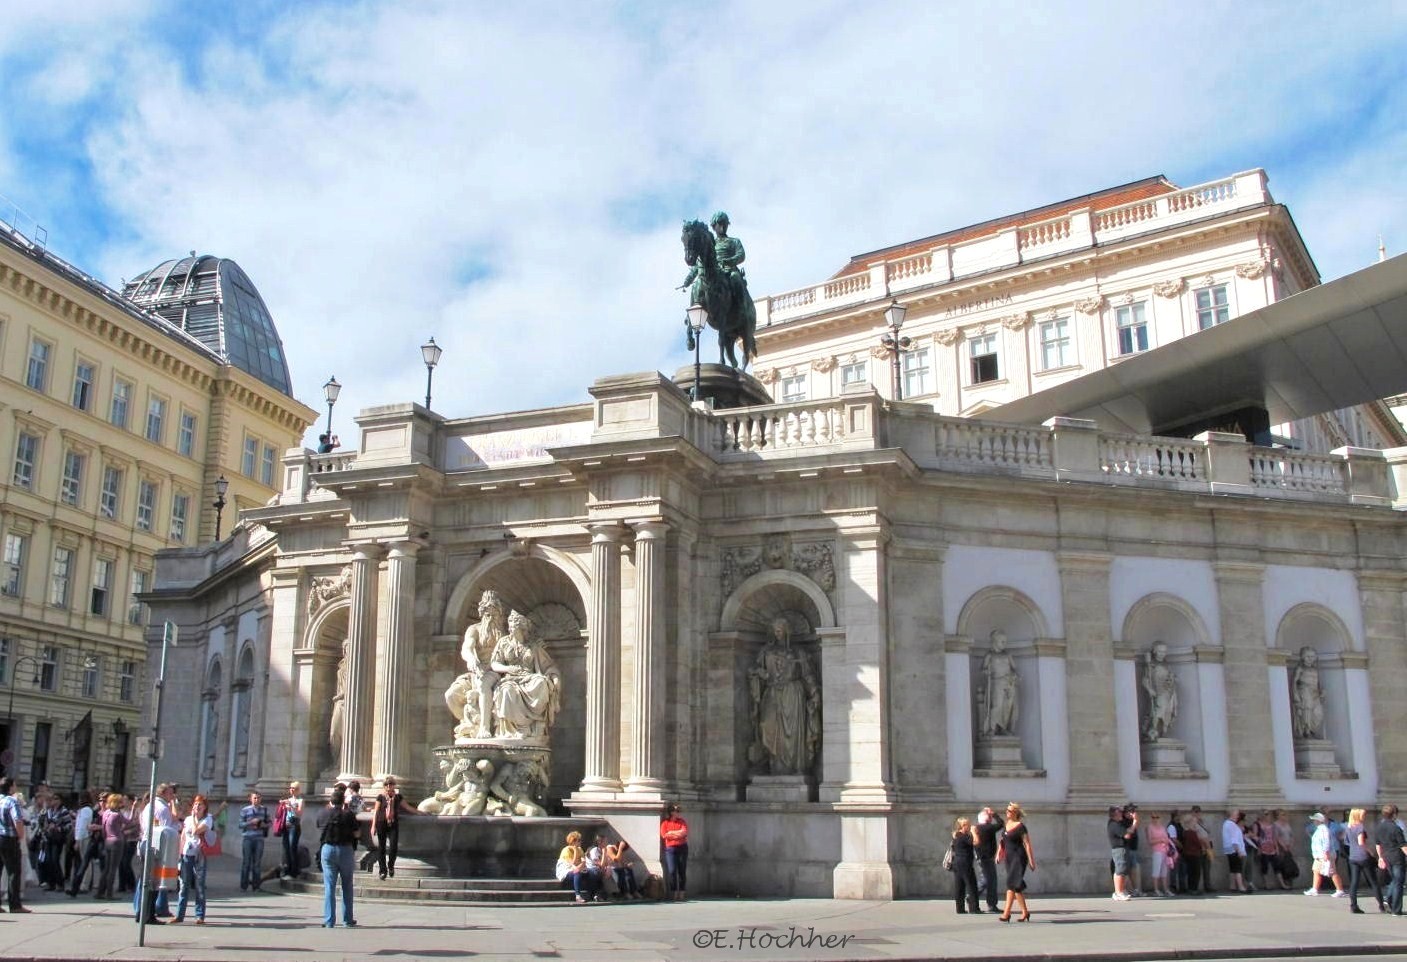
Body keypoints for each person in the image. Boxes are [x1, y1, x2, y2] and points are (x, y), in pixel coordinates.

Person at [747, 617, 821, 774]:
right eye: (775, 629)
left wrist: (814, 694)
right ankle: (774, 764)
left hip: (793, 693)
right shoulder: (765, 651)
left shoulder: (798, 652)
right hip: (772, 692)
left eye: (780, 628)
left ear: (787, 630)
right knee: (766, 725)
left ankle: (794, 767)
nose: (777, 632)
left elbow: (808, 674)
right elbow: (752, 669)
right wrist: (759, 672)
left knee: (793, 733)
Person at [489, 610, 563, 739]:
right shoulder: (503, 642)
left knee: (541, 683)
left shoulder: (533, 646)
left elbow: (548, 665)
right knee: (506, 691)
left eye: (516, 628)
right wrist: (507, 669)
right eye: (511, 627)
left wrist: (555, 677)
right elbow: (494, 664)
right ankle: (516, 729)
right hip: (510, 679)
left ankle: (534, 726)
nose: (512, 630)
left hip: (529, 677)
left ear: (523, 629)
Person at [316, 785, 360, 928]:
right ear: (343, 801)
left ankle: (329, 920)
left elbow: (318, 825)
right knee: (347, 885)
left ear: (331, 801)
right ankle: (347, 920)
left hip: (327, 849)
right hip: (345, 849)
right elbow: (357, 833)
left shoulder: (323, 813)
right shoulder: (348, 814)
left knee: (329, 886)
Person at [172, 795, 214, 924]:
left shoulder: (208, 819)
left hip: (200, 853)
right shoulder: (188, 819)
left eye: (200, 804)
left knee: (199, 884)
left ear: (205, 807)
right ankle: (179, 915)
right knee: (184, 884)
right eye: (195, 804)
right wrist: (179, 852)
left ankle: (199, 915)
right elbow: (184, 835)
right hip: (187, 853)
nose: (197, 806)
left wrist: (195, 818)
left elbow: (196, 830)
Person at [996, 802, 1035, 922]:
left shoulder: (1020, 826)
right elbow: (1002, 841)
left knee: (1010, 884)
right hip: (1009, 858)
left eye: (1010, 811)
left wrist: (1031, 861)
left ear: (1016, 813)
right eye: (1006, 810)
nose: (1007, 812)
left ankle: (1006, 913)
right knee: (1016, 886)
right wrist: (999, 853)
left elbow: (1027, 844)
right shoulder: (1007, 824)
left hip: (1019, 857)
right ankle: (1025, 912)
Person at [371, 777, 414, 880]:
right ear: (384, 786)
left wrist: (421, 813)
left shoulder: (398, 797)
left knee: (394, 846)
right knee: (381, 847)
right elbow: (376, 811)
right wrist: (373, 826)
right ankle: (382, 870)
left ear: (394, 785)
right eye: (386, 785)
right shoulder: (380, 797)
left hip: (393, 823)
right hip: (382, 823)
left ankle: (390, 865)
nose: (389, 786)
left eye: (391, 784)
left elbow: (408, 807)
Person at [0, 778, 32, 913]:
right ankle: (15, 905)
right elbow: (18, 820)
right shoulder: (12, 801)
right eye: (15, 785)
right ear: (11, 787)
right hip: (9, 838)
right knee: (14, 871)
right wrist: (21, 835)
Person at [1345, 807, 1385, 913]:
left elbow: (1347, 842)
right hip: (1363, 856)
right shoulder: (1360, 827)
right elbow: (1361, 842)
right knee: (1373, 881)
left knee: (1354, 882)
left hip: (1353, 857)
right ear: (1357, 816)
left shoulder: (1348, 827)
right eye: (1362, 815)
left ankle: (1353, 905)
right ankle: (1381, 905)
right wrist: (1370, 851)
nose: (1364, 817)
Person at [980, 630, 1020, 736]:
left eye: (1005, 641)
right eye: (1002, 641)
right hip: (996, 682)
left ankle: (1004, 727)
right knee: (997, 705)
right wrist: (986, 672)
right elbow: (983, 669)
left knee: (1008, 706)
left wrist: (1015, 676)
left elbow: (1014, 668)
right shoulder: (989, 655)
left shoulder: (1008, 655)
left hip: (1009, 682)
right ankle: (992, 728)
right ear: (995, 641)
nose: (1004, 644)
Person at [67, 789, 103, 896]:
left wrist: (78, 840)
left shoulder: (86, 810)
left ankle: (85, 884)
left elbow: (82, 827)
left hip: (84, 838)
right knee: (83, 862)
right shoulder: (83, 810)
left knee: (85, 862)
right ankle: (82, 883)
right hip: (81, 837)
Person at [95, 793, 128, 900]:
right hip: (117, 841)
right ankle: (109, 893)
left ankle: (100, 891)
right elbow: (129, 821)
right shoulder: (117, 815)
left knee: (106, 868)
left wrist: (106, 838)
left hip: (108, 840)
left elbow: (103, 829)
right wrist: (132, 809)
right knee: (113, 869)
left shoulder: (106, 813)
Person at [1375, 803, 1407, 915]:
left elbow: (1378, 844)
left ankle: (1388, 899)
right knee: (1399, 882)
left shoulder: (1379, 827)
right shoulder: (1396, 828)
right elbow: (1403, 845)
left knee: (1395, 879)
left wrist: (1380, 857)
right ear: (1394, 815)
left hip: (1386, 856)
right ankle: (1396, 909)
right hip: (1397, 857)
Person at [1306, 812, 1346, 896]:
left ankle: (1340, 890)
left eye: (1315, 820)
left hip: (1325, 854)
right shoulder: (1319, 829)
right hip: (1319, 855)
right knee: (1316, 870)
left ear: (1318, 821)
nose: (1313, 821)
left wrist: (1326, 853)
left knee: (1332, 872)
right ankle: (1315, 889)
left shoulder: (1324, 829)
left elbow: (1326, 842)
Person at [555, 830, 600, 904]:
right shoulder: (566, 850)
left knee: (592, 872)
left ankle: (593, 894)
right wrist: (575, 851)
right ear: (573, 841)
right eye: (578, 840)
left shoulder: (580, 849)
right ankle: (578, 896)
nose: (580, 842)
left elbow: (583, 862)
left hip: (578, 868)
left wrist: (580, 866)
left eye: (580, 840)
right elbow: (572, 863)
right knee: (577, 873)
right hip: (566, 871)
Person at [238, 791, 270, 892]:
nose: (257, 800)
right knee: (246, 862)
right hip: (248, 838)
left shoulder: (264, 810)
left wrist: (263, 824)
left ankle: (256, 886)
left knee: (257, 863)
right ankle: (244, 885)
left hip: (259, 838)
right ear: (250, 799)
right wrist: (250, 822)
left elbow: (269, 823)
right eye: (255, 798)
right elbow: (240, 824)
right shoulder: (245, 810)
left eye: (258, 798)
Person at [950, 816, 981, 914]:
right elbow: (976, 842)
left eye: (969, 824)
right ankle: (974, 908)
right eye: (967, 825)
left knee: (959, 885)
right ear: (962, 826)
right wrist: (974, 832)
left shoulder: (956, 836)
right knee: (971, 885)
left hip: (957, 863)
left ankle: (960, 908)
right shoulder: (963, 836)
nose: (969, 826)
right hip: (965, 862)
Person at [974, 807, 1002, 912]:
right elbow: (1001, 824)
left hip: (982, 858)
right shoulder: (988, 828)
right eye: (989, 817)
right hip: (986, 858)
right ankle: (974, 895)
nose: (991, 819)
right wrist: (994, 814)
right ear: (986, 819)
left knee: (988, 880)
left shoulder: (977, 828)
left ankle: (990, 904)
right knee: (989, 880)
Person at [660, 803, 689, 902]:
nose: (678, 813)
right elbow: (664, 835)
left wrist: (671, 833)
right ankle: (673, 893)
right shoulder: (665, 823)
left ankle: (681, 893)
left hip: (682, 848)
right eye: (677, 811)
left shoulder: (682, 821)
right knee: (672, 871)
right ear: (671, 812)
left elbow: (684, 832)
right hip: (670, 849)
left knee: (682, 871)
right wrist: (678, 833)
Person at [1109, 805, 1136, 901]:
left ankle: (1121, 890)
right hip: (1119, 849)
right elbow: (1127, 834)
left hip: (1123, 848)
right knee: (1119, 871)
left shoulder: (1119, 823)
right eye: (1119, 812)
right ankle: (1118, 892)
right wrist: (1135, 822)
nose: (1121, 813)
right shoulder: (1114, 824)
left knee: (1123, 870)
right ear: (1114, 814)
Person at [1146, 812, 1174, 897]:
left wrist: (1165, 840)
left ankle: (1165, 889)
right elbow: (1150, 841)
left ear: (1160, 818)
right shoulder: (1149, 827)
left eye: (1157, 817)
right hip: (1157, 851)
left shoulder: (1162, 827)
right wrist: (1160, 840)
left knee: (1164, 871)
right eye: (1153, 817)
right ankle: (1156, 889)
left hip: (1165, 850)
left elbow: (1166, 838)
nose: (1155, 819)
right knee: (1156, 870)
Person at [280, 781, 305, 879]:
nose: (291, 790)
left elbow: (299, 813)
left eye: (294, 788)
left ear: (298, 790)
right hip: (286, 824)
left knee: (292, 847)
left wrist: (290, 806)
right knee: (285, 848)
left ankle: (294, 871)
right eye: (290, 788)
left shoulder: (300, 800)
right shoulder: (288, 799)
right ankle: (287, 869)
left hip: (294, 825)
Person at [1222, 809, 1250, 893]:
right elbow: (1234, 840)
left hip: (1229, 850)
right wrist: (1239, 851)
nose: (1237, 816)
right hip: (1234, 849)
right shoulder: (1232, 825)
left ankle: (1232, 886)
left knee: (1232, 869)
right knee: (1238, 869)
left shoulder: (1226, 823)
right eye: (1236, 814)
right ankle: (1241, 887)